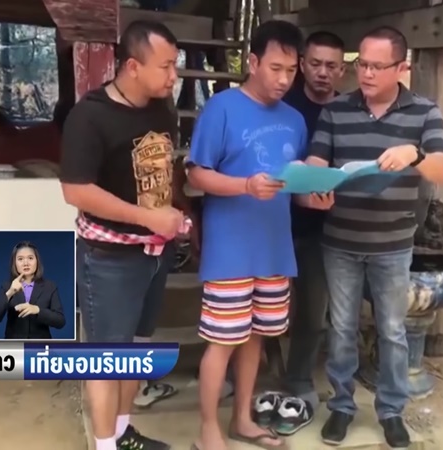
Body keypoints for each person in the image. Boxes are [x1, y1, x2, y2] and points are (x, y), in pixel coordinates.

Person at [186, 20, 332, 450]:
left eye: (291, 70)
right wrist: (245, 185)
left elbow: (292, 187)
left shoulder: (294, 120)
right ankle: (208, 430)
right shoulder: (222, 108)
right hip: (230, 248)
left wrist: (314, 199)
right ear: (252, 62)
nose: (284, 79)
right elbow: (196, 174)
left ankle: (242, 420)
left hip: (274, 248)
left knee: (254, 338)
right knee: (222, 342)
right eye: (275, 68)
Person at [304, 26, 443, 448]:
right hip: (340, 241)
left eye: (376, 66)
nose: (366, 73)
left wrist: (415, 154)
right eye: (361, 64)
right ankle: (342, 406)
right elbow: (317, 159)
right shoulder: (337, 109)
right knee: (341, 328)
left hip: (392, 245)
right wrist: (315, 182)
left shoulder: (424, 112)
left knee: (391, 330)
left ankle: (391, 411)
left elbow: (442, 170)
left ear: (402, 67)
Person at [59, 20, 184, 450]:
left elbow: (163, 170)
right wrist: (146, 218)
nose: (174, 76)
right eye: (165, 66)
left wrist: (177, 214)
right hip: (108, 258)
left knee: (137, 350)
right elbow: (75, 190)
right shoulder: (90, 116)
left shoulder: (162, 109)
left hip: (156, 252)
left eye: (175, 64)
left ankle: (122, 433)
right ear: (133, 66)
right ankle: (104, 445)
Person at [282, 30, 345, 412]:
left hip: (322, 228)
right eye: (316, 64)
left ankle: (299, 377)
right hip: (272, 222)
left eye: (331, 66)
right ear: (303, 64)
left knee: (312, 310)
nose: (323, 72)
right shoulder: (281, 105)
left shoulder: (348, 111)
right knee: (253, 308)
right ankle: (235, 375)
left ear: (342, 70)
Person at [0, 241, 66, 339]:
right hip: (15, 345)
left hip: (40, 345)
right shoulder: (7, 286)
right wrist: (10, 293)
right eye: (20, 259)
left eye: (30, 258)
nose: (26, 263)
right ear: (14, 263)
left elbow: (60, 321)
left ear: (37, 261)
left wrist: (38, 310)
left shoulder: (50, 286)